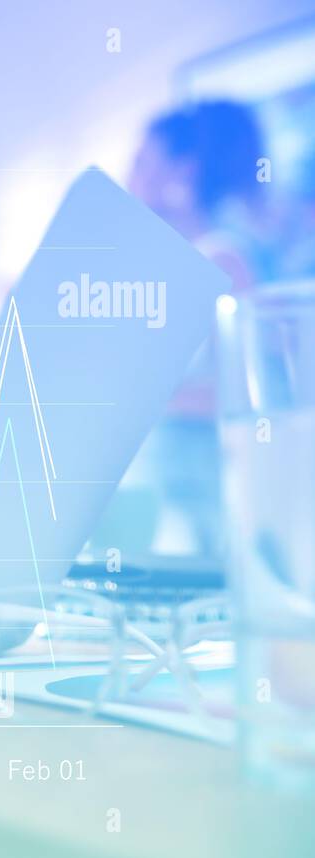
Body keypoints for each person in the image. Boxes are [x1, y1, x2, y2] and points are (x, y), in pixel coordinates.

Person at [120, 100, 277, 555]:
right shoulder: (165, 263)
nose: (130, 175)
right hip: (157, 489)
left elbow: (249, 391)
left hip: (203, 495)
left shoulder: (223, 259)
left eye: (143, 162)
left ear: (182, 172)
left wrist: (135, 395)